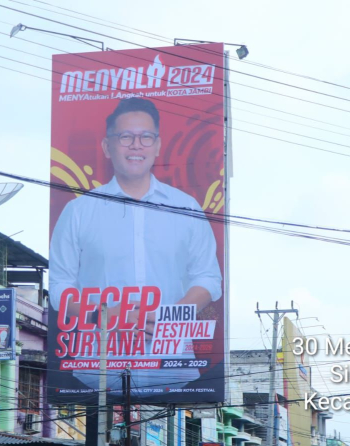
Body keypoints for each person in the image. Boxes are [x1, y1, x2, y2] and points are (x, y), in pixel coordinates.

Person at [50, 97, 223, 393]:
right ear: (107, 146)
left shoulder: (186, 206)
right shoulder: (80, 211)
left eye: (145, 137)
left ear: (157, 146)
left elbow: (209, 278)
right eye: (125, 137)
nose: (136, 145)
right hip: (97, 372)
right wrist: (107, 316)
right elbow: (59, 289)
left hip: (173, 370)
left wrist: (172, 316)